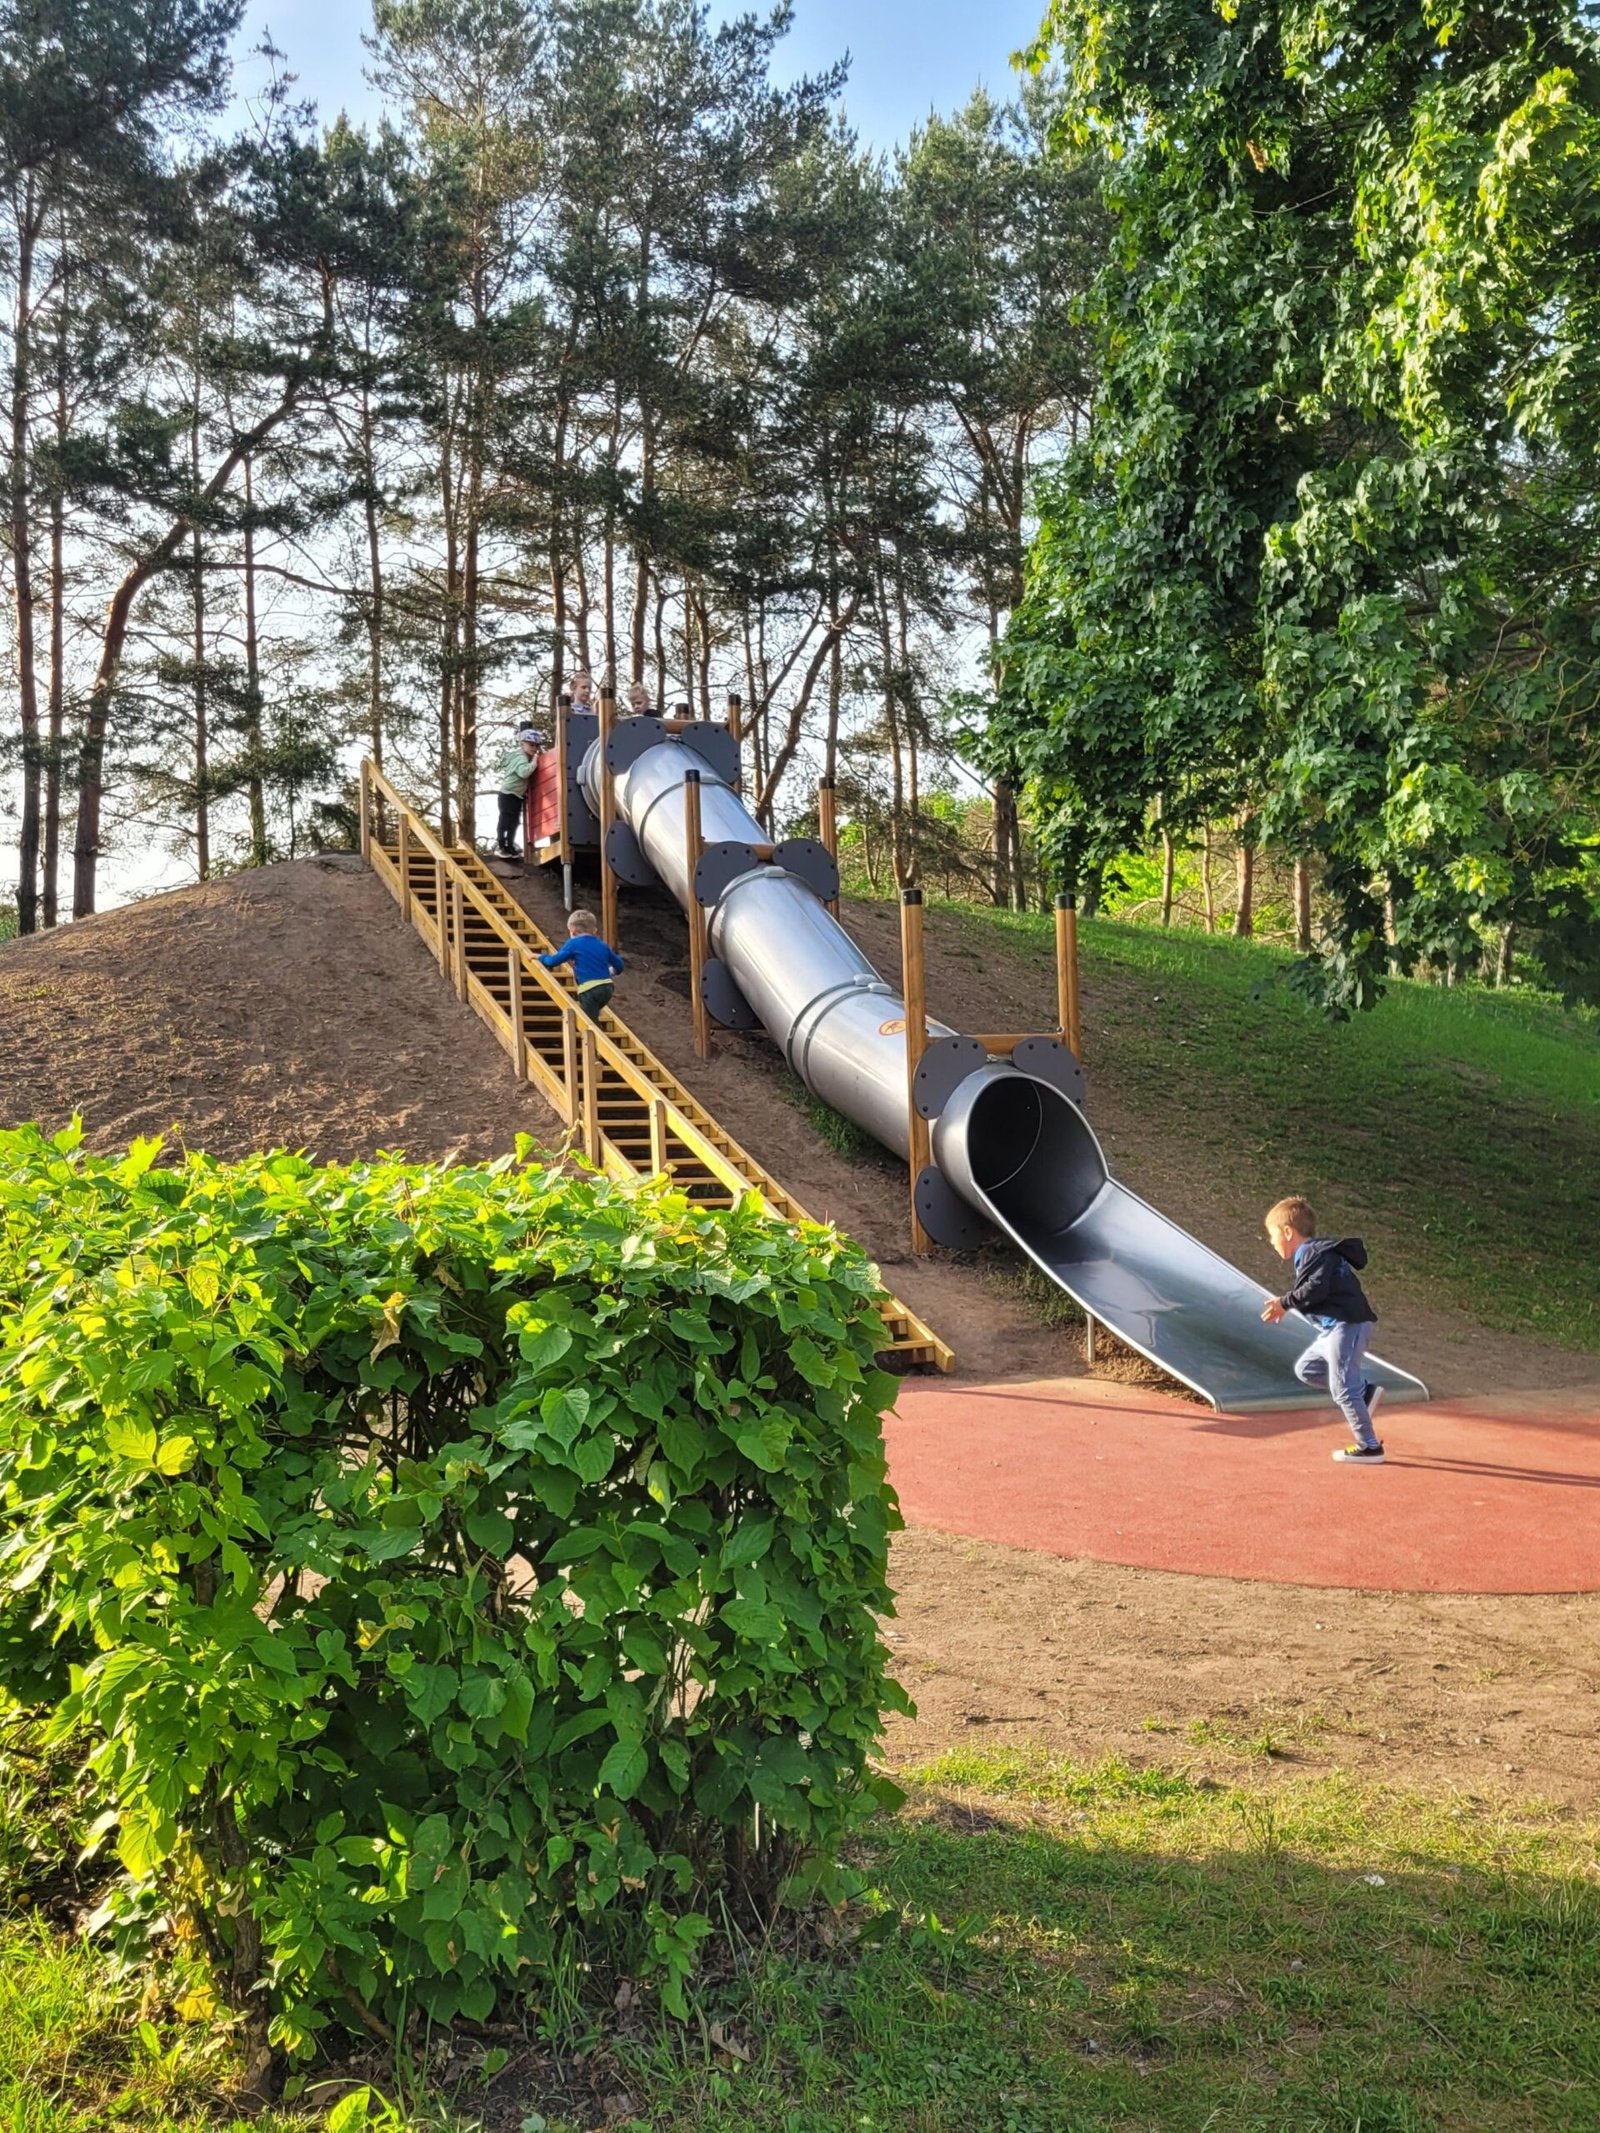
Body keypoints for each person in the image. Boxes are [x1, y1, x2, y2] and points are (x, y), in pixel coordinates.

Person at [1260, 1196, 1386, 1463]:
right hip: (1333, 1330)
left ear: (1287, 1232)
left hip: (1347, 1324)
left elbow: (1316, 1289)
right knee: (1307, 1369)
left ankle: (1370, 1446)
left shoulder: (1313, 1253)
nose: (1271, 1242)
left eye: (1272, 1236)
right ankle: (1364, 1392)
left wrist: (1284, 1302)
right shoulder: (1312, 1254)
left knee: (1342, 1386)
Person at [540, 908, 624, 1022]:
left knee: (589, 1021)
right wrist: (610, 971)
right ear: (594, 931)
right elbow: (619, 965)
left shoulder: (573, 943)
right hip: (607, 988)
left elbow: (553, 961)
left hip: (589, 989)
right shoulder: (602, 945)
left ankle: (594, 1035)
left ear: (572, 931)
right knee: (593, 1013)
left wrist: (541, 957)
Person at [493, 725, 545, 858]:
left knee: (514, 821)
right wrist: (534, 762)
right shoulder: (520, 757)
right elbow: (523, 773)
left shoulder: (524, 757)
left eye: (536, 746)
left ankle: (510, 846)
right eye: (531, 745)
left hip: (516, 795)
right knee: (506, 819)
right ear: (522, 744)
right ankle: (501, 845)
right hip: (508, 794)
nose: (534, 748)